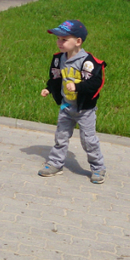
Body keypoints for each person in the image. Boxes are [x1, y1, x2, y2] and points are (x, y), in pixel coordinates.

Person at [39, 19, 107, 184]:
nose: (59, 42)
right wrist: (49, 88)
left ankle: (98, 167)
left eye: (64, 39)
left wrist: (77, 87)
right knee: (61, 136)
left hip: (85, 110)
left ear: (78, 41)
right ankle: (55, 164)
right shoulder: (58, 59)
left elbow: (95, 83)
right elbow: (55, 77)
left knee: (88, 140)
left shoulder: (88, 62)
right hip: (66, 107)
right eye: (58, 39)